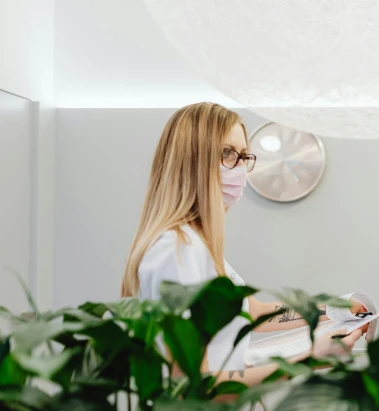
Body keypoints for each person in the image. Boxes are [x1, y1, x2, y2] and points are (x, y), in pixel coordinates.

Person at [121, 102, 365, 387]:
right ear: (192, 159)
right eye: (227, 153)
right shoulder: (179, 249)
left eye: (245, 156)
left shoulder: (201, 248)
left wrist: (333, 309)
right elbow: (193, 386)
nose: (240, 168)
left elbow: (257, 312)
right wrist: (309, 360)